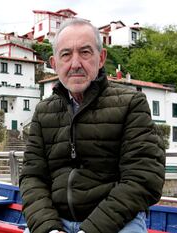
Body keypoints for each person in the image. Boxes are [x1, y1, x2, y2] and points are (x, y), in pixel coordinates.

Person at [19, 18, 165, 233]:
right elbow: (32, 177)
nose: (75, 63)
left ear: (101, 58)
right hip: (56, 222)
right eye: (66, 54)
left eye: (85, 52)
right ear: (54, 63)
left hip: (116, 223)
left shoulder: (131, 103)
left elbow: (143, 178)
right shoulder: (44, 111)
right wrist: (48, 228)